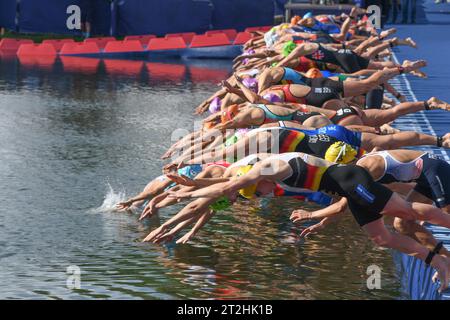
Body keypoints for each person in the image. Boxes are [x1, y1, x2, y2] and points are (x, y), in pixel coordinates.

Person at [164, 152, 450, 292]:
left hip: (351, 180)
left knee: (410, 213)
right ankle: (437, 261)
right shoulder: (257, 173)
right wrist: (189, 185)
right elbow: (227, 182)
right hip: (346, 190)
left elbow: (224, 189)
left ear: (259, 183)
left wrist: (183, 193)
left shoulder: (268, 168)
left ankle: (441, 254)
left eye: (259, 193)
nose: (265, 195)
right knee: (382, 238)